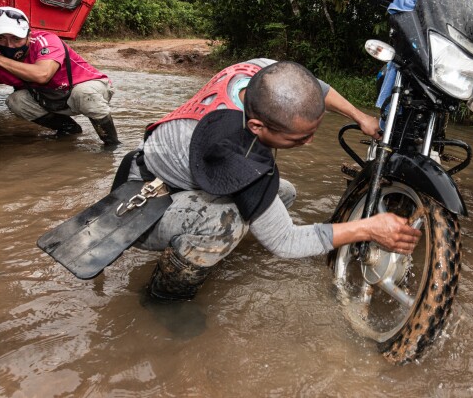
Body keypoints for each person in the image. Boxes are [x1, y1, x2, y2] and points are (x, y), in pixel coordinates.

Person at [122, 59, 418, 300]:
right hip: (141, 204)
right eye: (300, 138)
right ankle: (163, 298)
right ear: (256, 126)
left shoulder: (260, 74)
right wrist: (367, 228)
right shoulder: (237, 155)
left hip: (172, 164)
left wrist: (360, 116)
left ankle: (206, 245)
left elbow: (316, 88)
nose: (310, 142)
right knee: (225, 222)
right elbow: (285, 243)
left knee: (283, 192)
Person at [0, 7, 119, 145]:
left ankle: (111, 143)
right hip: (50, 98)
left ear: (28, 36)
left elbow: (42, 75)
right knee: (15, 101)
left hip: (91, 87)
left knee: (84, 94)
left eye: (16, 39)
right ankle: (69, 129)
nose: (9, 46)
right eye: (1, 39)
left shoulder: (47, 40)